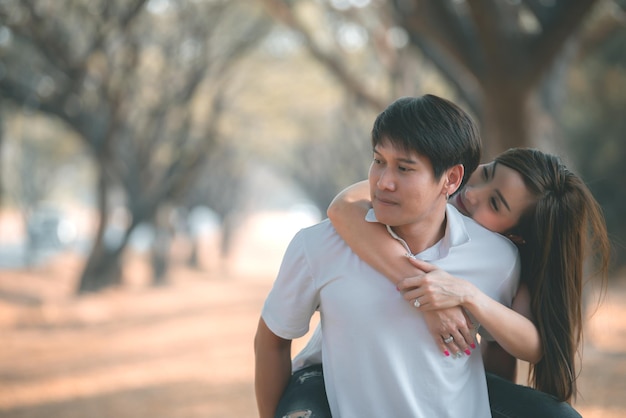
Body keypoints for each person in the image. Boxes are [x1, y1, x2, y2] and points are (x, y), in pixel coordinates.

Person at [282, 147, 610, 417]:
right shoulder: (410, 199)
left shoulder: (501, 262)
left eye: (495, 203)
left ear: (516, 235)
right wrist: (429, 297)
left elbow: (529, 345)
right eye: (488, 172)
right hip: (329, 375)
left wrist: (468, 296)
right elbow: (343, 207)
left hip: (434, 386)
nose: (473, 192)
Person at [254, 94, 521, 417]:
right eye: (379, 160)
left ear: (450, 179)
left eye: (404, 168)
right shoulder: (318, 246)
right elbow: (272, 342)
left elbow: (501, 357)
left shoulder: (497, 259)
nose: (383, 182)